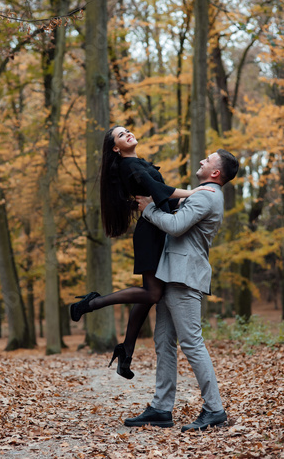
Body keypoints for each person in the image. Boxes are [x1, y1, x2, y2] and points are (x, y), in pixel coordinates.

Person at [70, 126, 215, 379]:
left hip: (159, 229)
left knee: (148, 295)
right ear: (116, 148)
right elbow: (163, 193)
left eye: (127, 130)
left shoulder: (138, 163)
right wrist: (194, 192)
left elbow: (165, 200)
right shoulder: (129, 167)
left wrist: (189, 200)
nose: (127, 133)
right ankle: (91, 303)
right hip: (151, 234)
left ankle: (126, 350)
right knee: (152, 293)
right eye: (120, 135)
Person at [123, 149, 239, 432]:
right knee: (163, 342)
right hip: (170, 275)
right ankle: (161, 409)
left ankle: (215, 410)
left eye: (207, 160)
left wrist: (148, 208)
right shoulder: (202, 195)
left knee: (192, 343)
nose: (201, 160)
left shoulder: (205, 196)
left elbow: (175, 227)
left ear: (215, 172)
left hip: (184, 278)